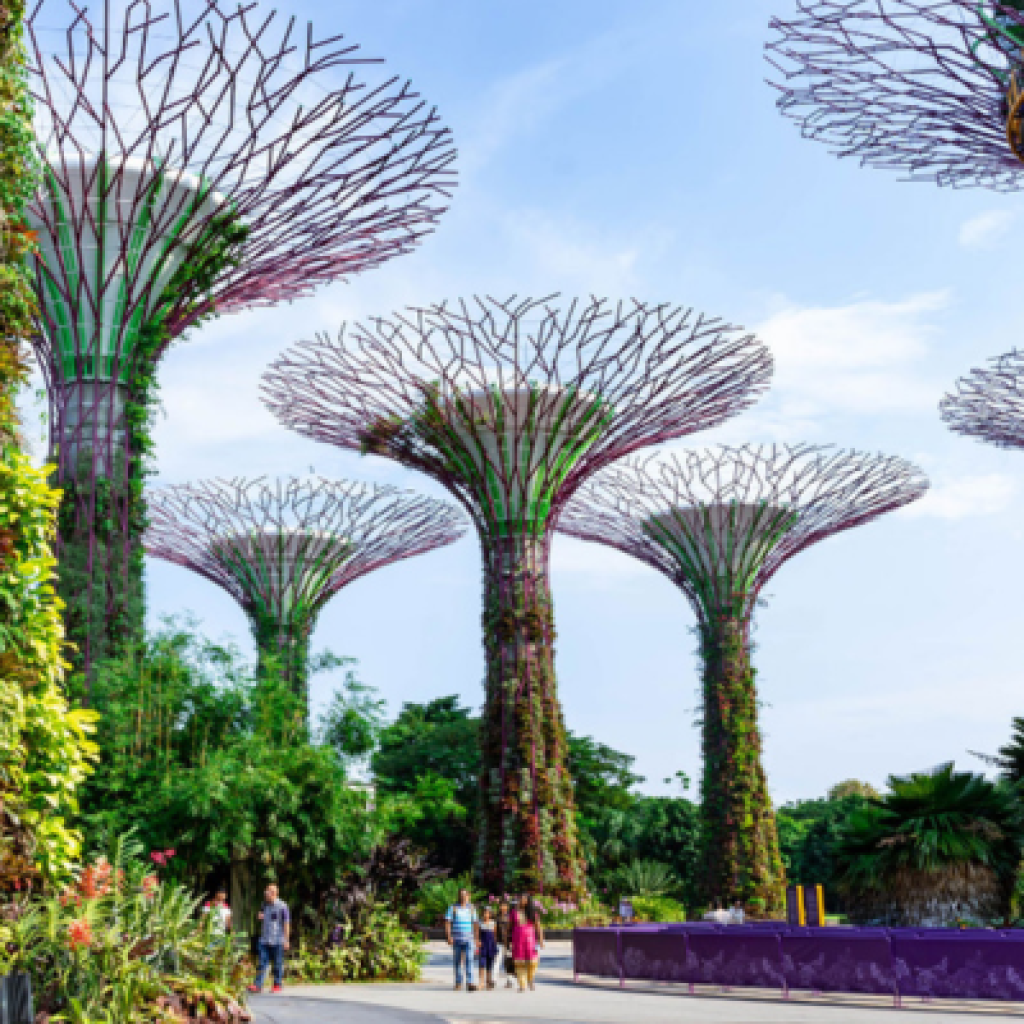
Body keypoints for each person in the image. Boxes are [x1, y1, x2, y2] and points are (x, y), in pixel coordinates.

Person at [248, 883, 290, 994]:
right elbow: (260, 917)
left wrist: (286, 940)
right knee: (262, 963)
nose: (266, 894)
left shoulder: (282, 906)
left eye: (269, 892)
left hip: (278, 940)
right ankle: (257, 985)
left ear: (274, 894)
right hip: (264, 939)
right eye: (266, 891)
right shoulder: (264, 905)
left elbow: (286, 924)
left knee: (277, 963)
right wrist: (259, 916)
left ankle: (277, 984)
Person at [444, 887, 479, 992]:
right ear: (459, 896)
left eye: (465, 895)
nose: (463, 897)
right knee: (458, 961)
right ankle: (458, 982)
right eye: (461, 895)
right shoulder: (453, 908)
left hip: (469, 939)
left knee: (469, 959)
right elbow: (447, 922)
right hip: (457, 939)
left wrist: (477, 938)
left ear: (468, 896)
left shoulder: (472, 908)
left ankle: (470, 982)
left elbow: (476, 923)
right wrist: (449, 937)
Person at [511, 896, 544, 992]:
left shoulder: (533, 912)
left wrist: (541, 940)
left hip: (530, 939)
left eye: (524, 899)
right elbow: (510, 926)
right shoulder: (514, 912)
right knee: (519, 963)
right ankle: (522, 985)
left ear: (528, 901)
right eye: (520, 899)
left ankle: (530, 979)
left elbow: (538, 926)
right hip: (517, 939)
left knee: (532, 962)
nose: (522, 900)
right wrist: (508, 941)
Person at [478, 907, 499, 989]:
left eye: (487, 913)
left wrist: (495, 946)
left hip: (491, 945)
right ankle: (481, 982)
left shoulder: (493, 923)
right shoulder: (480, 923)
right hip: (483, 945)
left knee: (489, 965)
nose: (485, 915)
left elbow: (495, 935)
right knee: (481, 963)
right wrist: (478, 941)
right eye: (484, 913)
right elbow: (478, 934)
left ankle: (488, 981)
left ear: (490, 914)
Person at [497, 899, 515, 988]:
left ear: (507, 907)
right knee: (497, 961)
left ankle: (510, 981)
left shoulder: (510, 917)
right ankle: (493, 980)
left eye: (504, 905)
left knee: (508, 962)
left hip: (508, 942)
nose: (502, 907)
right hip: (499, 942)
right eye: (501, 905)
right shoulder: (497, 917)